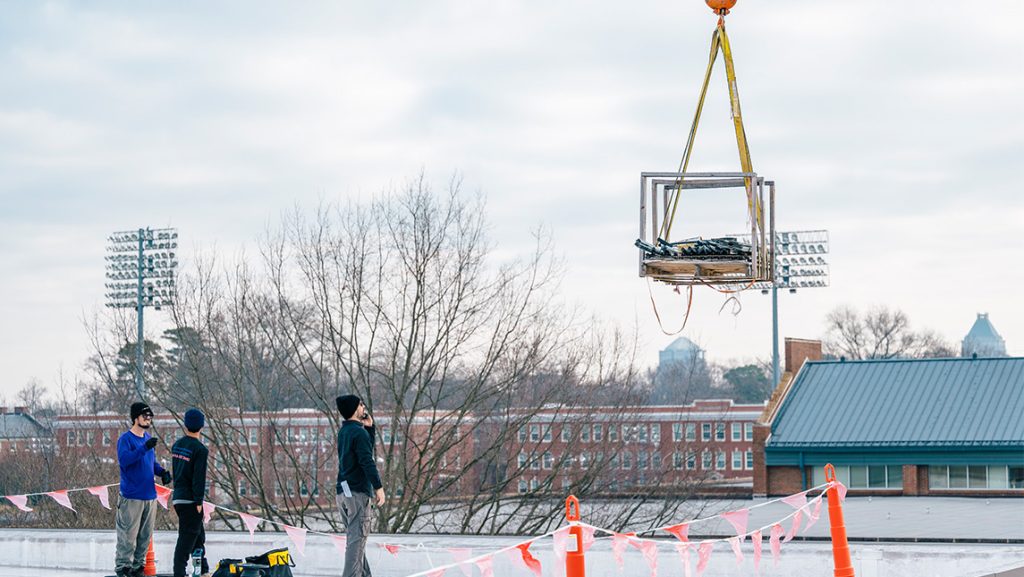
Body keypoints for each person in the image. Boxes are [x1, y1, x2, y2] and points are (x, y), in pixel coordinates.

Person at [115, 402, 172, 577]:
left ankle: (138, 567)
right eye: (145, 416)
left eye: (150, 417)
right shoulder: (126, 439)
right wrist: (144, 448)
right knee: (128, 536)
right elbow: (125, 460)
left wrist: (162, 472)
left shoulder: (147, 438)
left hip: (149, 495)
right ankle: (123, 567)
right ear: (135, 418)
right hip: (132, 496)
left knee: (145, 537)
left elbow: (151, 463)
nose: (148, 419)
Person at [335, 394, 385, 577]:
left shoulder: (345, 432)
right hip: (357, 494)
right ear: (355, 409)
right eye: (361, 404)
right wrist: (378, 487)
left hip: (343, 493)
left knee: (357, 544)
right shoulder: (358, 433)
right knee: (356, 545)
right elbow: (367, 461)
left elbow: (363, 452)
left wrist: (369, 429)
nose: (364, 407)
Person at [171, 408, 210, 577]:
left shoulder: (177, 445)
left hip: (178, 498)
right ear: (201, 426)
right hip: (191, 500)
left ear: (185, 425)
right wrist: (199, 501)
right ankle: (179, 573)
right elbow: (198, 478)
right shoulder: (200, 450)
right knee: (186, 540)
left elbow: (176, 471)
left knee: (198, 536)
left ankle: (202, 570)